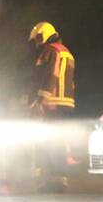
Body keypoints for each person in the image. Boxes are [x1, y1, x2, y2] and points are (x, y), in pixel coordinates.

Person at [27, 21, 77, 192]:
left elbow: (50, 75)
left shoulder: (50, 51)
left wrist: (41, 100)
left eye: (38, 38)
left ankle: (48, 180)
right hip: (66, 102)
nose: (36, 43)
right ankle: (59, 179)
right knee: (59, 141)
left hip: (52, 102)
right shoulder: (66, 52)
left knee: (48, 141)